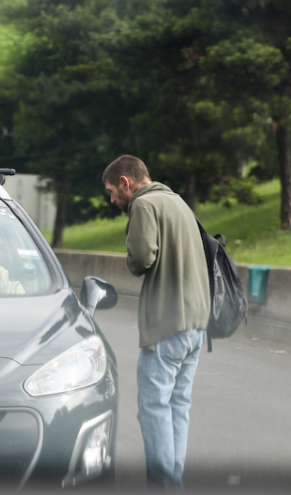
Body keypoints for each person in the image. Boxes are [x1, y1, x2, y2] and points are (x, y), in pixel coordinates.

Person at [102, 155, 211, 489]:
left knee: (153, 407)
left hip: (166, 322)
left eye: (111, 191)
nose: (112, 200)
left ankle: (162, 485)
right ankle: (172, 483)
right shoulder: (176, 201)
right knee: (177, 404)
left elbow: (141, 258)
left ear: (125, 182)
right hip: (196, 321)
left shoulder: (144, 206)